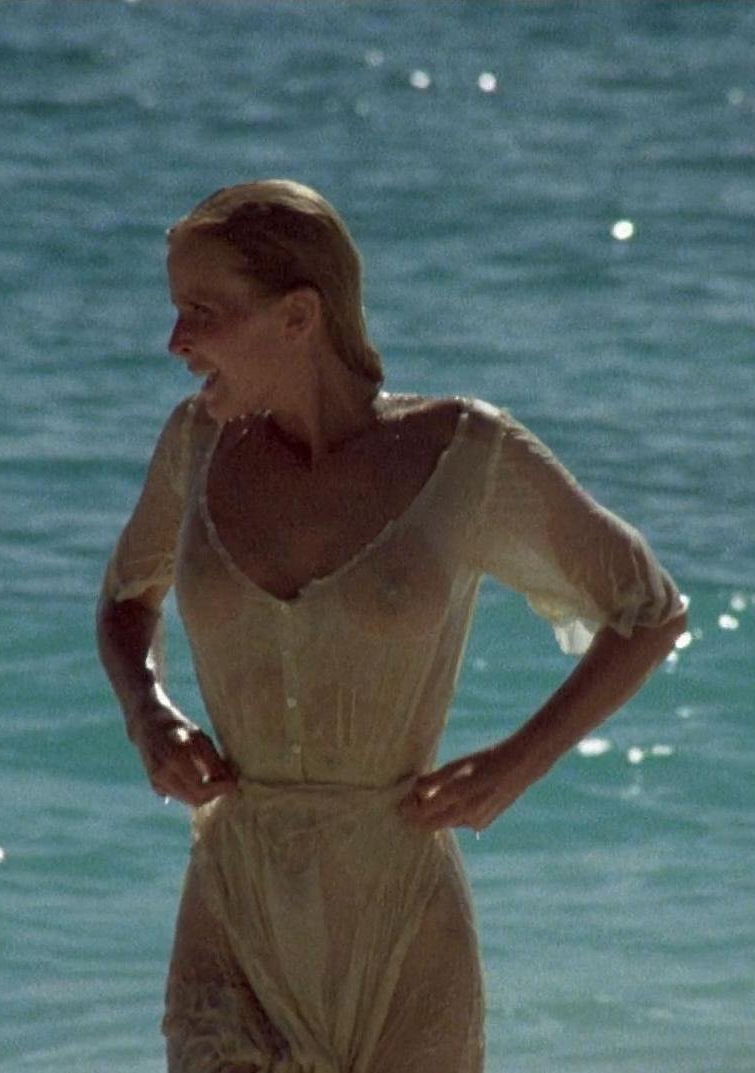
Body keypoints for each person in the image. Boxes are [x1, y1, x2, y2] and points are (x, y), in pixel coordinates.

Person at [95, 179, 690, 1073]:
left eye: (202, 312)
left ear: (299, 316)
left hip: (400, 920)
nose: (175, 340)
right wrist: (148, 712)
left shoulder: (465, 455)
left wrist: (516, 763)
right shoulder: (195, 445)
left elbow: (648, 610)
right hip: (235, 904)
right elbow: (124, 598)